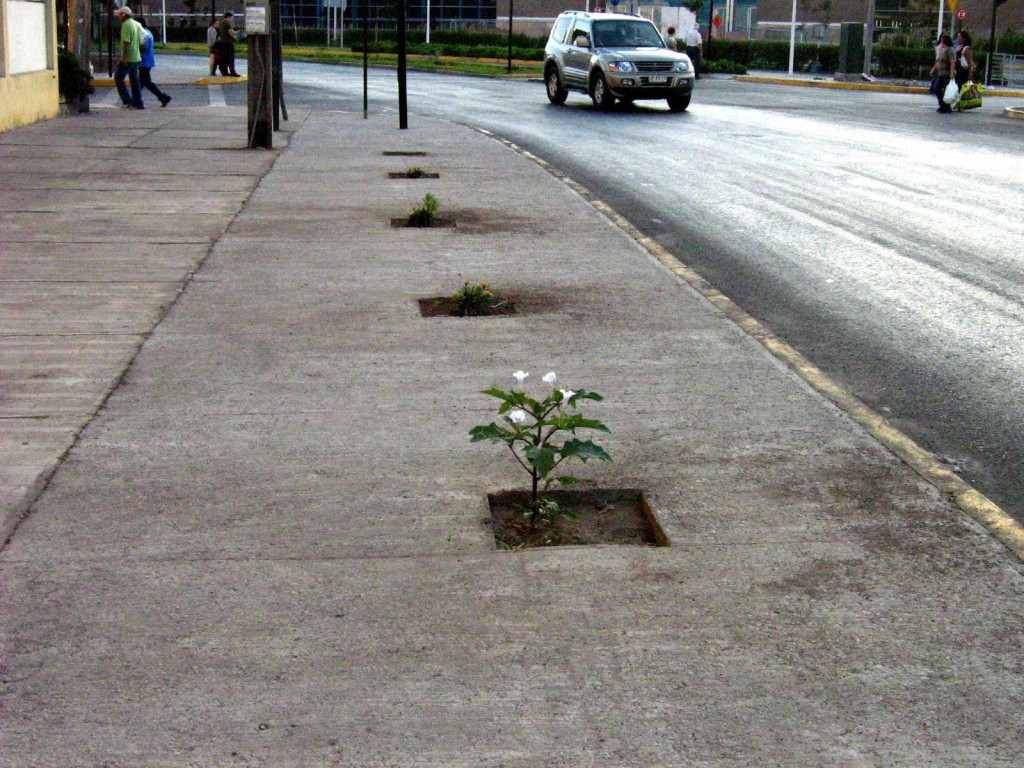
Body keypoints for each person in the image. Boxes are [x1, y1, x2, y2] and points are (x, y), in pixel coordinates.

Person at [114, 6, 144, 109]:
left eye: (119, 14)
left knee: (118, 78)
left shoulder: (126, 25)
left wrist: (124, 57)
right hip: (136, 57)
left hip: (129, 57)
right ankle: (138, 102)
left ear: (123, 14)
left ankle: (127, 100)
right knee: (135, 80)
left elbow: (126, 42)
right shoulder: (135, 24)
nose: (118, 16)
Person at [137, 17, 171, 107]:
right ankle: (163, 97)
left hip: (144, 61)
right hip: (146, 61)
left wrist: (136, 46)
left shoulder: (145, 34)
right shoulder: (148, 32)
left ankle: (136, 100)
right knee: (147, 83)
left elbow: (145, 46)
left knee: (140, 83)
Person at [930, 33, 956, 113]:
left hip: (946, 73)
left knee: (945, 90)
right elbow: (938, 61)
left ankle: (947, 107)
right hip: (940, 72)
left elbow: (952, 62)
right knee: (937, 89)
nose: (941, 41)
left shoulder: (950, 50)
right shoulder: (941, 50)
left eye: (942, 40)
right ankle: (942, 105)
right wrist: (933, 69)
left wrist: (952, 73)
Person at [218, 11, 241, 77]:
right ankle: (233, 72)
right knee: (230, 58)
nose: (231, 20)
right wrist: (238, 32)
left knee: (225, 58)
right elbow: (231, 33)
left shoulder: (221, 23)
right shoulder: (227, 23)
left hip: (223, 42)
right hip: (228, 43)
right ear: (228, 17)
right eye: (230, 18)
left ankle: (224, 72)